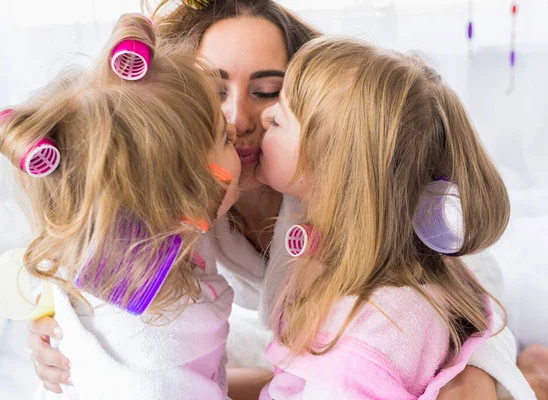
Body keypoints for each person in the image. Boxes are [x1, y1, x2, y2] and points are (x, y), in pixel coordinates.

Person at [27, 1, 548, 398]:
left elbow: (460, 295)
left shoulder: (357, 191)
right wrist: (54, 319)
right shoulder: (191, 197)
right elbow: (85, 242)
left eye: (267, 92)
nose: (239, 121)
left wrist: (483, 371)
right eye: (214, 91)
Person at [256, 36, 536, 399]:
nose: (262, 117)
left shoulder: (374, 332)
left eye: (278, 118)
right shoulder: (369, 272)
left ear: (332, 171)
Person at [0, 13, 241, 398]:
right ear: (186, 194)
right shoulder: (153, 380)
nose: (239, 133)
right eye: (226, 139)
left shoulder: (157, 231)